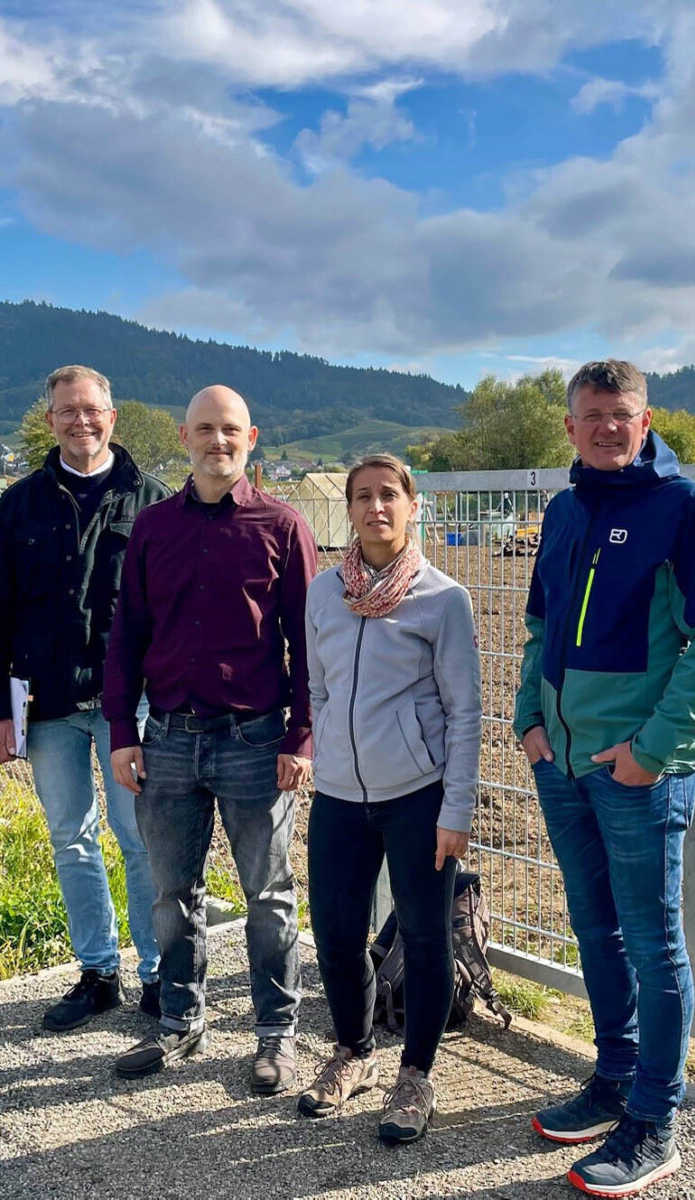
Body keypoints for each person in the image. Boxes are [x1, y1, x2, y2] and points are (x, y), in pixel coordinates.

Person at [515, 360, 695, 1195]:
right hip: (563, 763)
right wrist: (527, 719)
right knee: (595, 928)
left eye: (624, 415)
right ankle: (613, 1076)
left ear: (646, 424)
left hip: (638, 771)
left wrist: (651, 749)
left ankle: (655, 1117)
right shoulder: (565, 510)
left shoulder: (686, 509)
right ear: (570, 427)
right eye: (593, 415)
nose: (609, 427)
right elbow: (539, 625)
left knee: (651, 942)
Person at [103, 384, 316, 1096]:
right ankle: (180, 1023)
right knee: (173, 893)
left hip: (255, 741)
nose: (216, 442)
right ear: (184, 435)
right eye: (204, 430)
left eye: (229, 430)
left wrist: (301, 738)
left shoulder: (282, 527)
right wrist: (121, 731)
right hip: (166, 739)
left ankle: (275, 1037)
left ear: (251, 436)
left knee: (269, 896)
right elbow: (127, 634)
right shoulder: (155, 529)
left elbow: (306, 645)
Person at [0, 365, 170, 1032]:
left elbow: (171, 616)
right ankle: (97, 972)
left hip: (131, 708)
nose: (80, 421)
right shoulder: (21, 503)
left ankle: (158, 973)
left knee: (141, 839)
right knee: (71, 838)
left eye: (92, 410)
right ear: (50, 419)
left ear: (112, 417)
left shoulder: (153, 501)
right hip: (47, 704)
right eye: (66, 411)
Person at [297, 454, 481, 1145]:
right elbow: (315, 689)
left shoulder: (442, 598)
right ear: (348, 509)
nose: (376, 507)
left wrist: (455, 809)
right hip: (341, 797)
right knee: (338, 936)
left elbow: (465, 711)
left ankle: (417, 1073)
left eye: (389, 496)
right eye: (363, 497)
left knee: (426, 936)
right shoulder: (323, 594)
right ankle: (352, 1053)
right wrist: (326, 759)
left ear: (413, 505)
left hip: (418, 797)